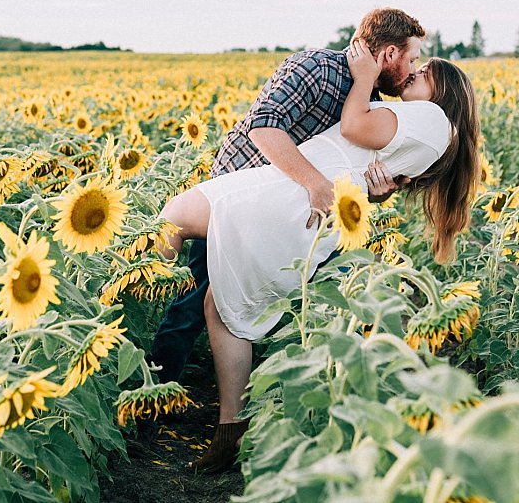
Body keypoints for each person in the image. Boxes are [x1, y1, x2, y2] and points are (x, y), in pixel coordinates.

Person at [159, 39, 481, 473]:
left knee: (173, 217)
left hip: (294, 195)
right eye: (414, 63)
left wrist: (365, 78)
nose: (414, 72)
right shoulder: (428, 128)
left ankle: (136, 296)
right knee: (221, 305)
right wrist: (374, 188)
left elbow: (352, 128)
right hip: (314, 208)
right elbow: (371, 163)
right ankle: (230, 429)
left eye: (424, 74)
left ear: (444, 95)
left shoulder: (431, 118)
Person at [138, 9, 426, 443]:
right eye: (412, 58)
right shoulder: (314, 67)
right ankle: (150, 409)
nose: (411, 72)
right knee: (190, 301)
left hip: (283, 220)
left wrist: (378, 191)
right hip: (237, 196)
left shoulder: (372, 105)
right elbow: (264, 129)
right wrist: (314, 183)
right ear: (389, 53)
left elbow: (351, 174)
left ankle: (228, 416)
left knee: (250, 307)